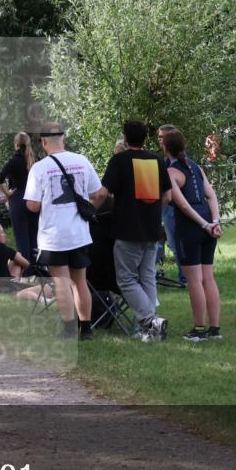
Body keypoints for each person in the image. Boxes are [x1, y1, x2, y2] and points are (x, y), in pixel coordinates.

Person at [23, 122, 107, 340]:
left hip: (54, 235)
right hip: (79, 232)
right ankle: (86, 328)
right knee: (80, 281)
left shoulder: (39, 168)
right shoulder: (81, 161)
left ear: (43, 142)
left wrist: (47, 202)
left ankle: (69, 328)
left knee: (61, 282)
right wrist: (88, 211)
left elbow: (31, 205)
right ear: (64, 138)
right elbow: (98, 194)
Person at [102, 121, 173, 342]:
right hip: (152, 229)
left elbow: (102, 194)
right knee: (147, 277)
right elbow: (168, 197)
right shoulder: (156, 160)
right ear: (146, 138)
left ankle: (151, 321)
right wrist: (153, 213)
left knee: (126, 280)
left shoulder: (119, 161)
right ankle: (150, 331)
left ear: (125, 137)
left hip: (127, 229)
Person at [162, 129, 223, 342]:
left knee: (195, 281)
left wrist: (206, 224)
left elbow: (183, 205)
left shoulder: (171, 172)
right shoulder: (195, 166)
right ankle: (215, 329)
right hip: (207, 224)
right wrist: (215, 221)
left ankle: (198, 329)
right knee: (208, 277)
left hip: (190, 228)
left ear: (165, 148)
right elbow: (211, 195)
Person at [0, 132, 39, 272]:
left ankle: (26, 273)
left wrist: (8, 193)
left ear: (15, 144)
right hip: (34, 199)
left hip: (18, 199)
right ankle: (37, 270)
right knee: (34, 237)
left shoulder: (14, 160)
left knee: (22, 240)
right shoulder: (35, 159)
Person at [0, 222, 43, 300]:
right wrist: (18, 258)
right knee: (17, 260)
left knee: (15, 258)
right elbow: (26, 263)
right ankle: (18, 283)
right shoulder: (1, 248)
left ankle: (17, 282)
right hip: (2, 286)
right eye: (2, 232)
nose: (5, 235)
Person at [155, 124, 186, 286]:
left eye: (162, 137)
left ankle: (185, 278)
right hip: (169, 209)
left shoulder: (178, 163)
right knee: (174, 244)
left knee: (178, 244)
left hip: (174, 208)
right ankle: (185, 277)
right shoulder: (167, 161)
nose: (160, 141)